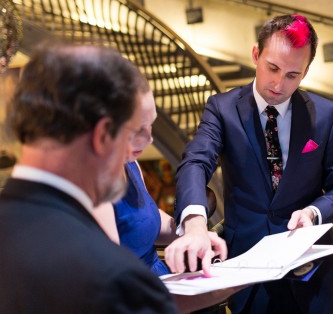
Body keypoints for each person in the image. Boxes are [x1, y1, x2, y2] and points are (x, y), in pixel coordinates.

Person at [0, 43, 233, 314]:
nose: (146, 142)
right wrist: (238, 282)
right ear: (101, 135)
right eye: (133, 131)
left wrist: (191, 231)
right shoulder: (92, 261)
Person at [165, 14, 333, 314]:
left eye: (293, 74)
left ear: (305, 72)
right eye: (273, 68)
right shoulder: (223, 109)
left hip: (313, 278)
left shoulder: (326, 114)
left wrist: (314, 213)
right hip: (248, 278)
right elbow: (196, 162)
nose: (279, 83)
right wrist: (195, 224)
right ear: (256, 55)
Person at [93, 83, 226, 276]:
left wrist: (193, 231)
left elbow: (146, 219)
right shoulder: (94, 185)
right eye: (138, 129)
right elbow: (111, 282)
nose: (149, 139)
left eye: (151, 125)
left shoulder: (129, 162)